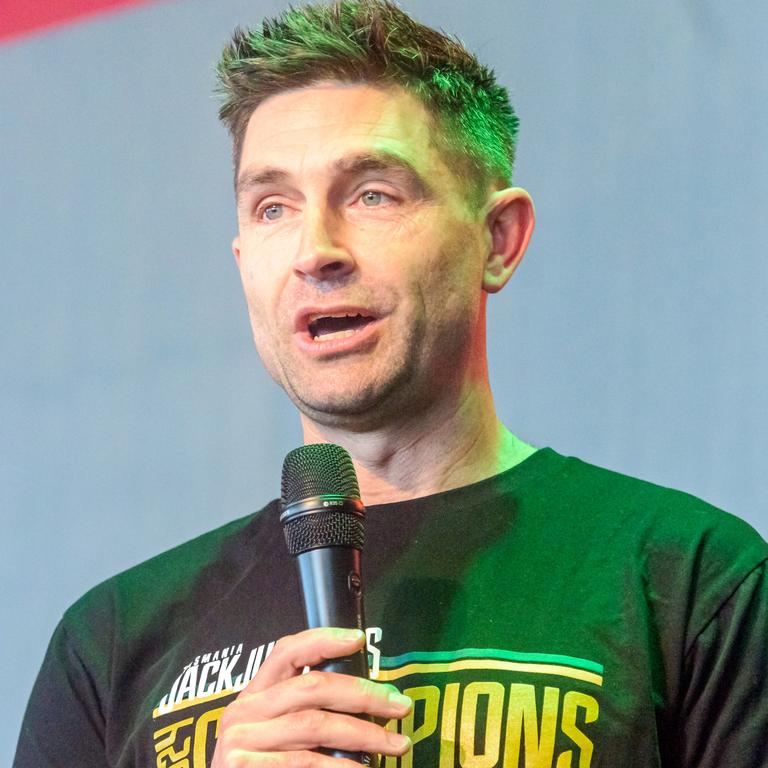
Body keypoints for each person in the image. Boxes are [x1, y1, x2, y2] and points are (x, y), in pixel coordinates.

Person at [14, 2, 768, 767]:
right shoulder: (111, 644)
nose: (315, 250)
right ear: (243, 258)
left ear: (497, 240)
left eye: (373, 193)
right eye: (273, 207)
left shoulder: (686, 580)